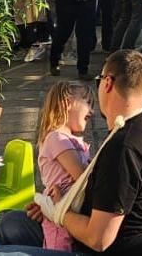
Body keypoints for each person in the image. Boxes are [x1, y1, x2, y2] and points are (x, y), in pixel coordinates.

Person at [0, 49, 142, 256]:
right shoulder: (140, 129)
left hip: (97, 248)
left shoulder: (123, 148)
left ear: (107, 83)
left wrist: (57, 211)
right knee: (12, 223)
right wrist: (49, 207)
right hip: (93, 232)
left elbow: (98, 240)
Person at [37, 81, 94, 251]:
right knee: (59, 249)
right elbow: (82, 177)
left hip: (70, 208)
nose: (92, 110)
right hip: (59, 210)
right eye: (88, 102)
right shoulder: (57, 138)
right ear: (67, 103)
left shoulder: (69, 140)